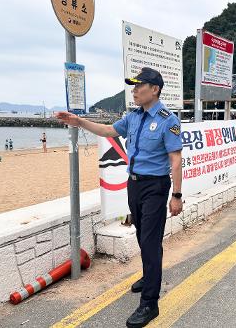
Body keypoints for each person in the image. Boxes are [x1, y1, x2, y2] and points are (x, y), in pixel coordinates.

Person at [56, 67, 183, 327]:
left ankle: (150, 303)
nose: (134, 90)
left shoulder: (168, 119)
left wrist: (177, 195)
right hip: (133, 185)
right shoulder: (133, 117)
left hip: (155, 187)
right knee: (142, 236)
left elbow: (176, 159)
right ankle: (150, 277)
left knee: (149, 242)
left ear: (154, 89)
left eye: (139, 86)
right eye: (133, 86)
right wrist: (79, 122)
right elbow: (107, 131)